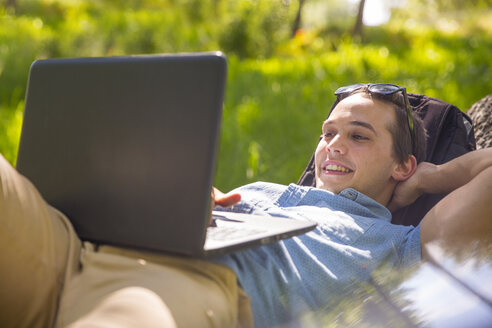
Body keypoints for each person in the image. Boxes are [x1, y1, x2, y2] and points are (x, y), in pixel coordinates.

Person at [1, 83, 490, 328]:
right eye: (328, 133)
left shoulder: (400, 247)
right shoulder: (262, 189)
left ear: (401, 166)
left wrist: (435, 176)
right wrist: (177, 202)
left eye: (358, 136)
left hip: (188, 288)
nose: (333, 146)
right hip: (77, 246)